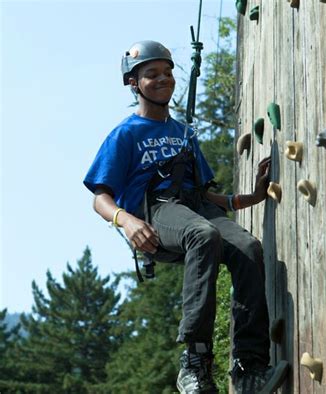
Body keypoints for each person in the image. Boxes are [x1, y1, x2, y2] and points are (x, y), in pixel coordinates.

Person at [83, 40, 288, 393]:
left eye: (167, 72)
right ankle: (194, 360)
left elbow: (205, 196)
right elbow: (100, 197)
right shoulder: (125, 134)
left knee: (248, 247)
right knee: (202, 234)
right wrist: (127, 221)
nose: (163, 79)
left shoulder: (184, 134)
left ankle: (248, 367)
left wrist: (250, 197)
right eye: (151, 75)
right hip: (157, 211)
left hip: (196, 209)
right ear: (134, 83)